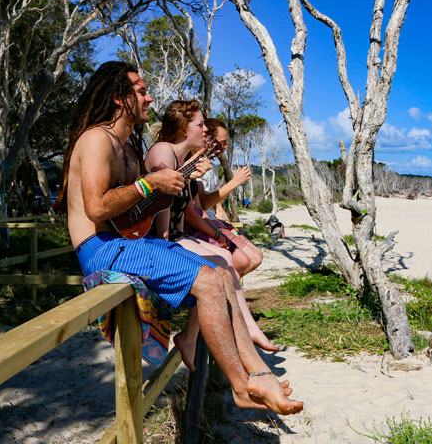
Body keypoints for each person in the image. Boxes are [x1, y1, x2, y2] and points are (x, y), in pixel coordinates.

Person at [58, 61, 302, 415]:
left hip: (127, 242)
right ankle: (240, 385)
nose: (149, 96)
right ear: (117, 97)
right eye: (141, 90)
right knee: (206, 280)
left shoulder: (127, 145)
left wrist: (168, 187)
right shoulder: (97, 139)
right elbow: (97, 208)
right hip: (100, 248)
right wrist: (149, 183)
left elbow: (133, 212)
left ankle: (258, 372)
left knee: (220, 274)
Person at [145, 100, 278, 370]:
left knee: (223, 259)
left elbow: (184, 209)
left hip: (174, 236)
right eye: (201, 124)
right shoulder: (163, 151)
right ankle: (232, 334)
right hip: (160, 240)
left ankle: (207, 334)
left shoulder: (183, 160)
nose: (206, 130)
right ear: (184, 129)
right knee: (220, 263)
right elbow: (161, 195)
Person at [195, 118, 264, 276]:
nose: (225, 147)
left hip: (214, 221)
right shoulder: (197, 166)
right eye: (223, 142)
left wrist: (223, 217)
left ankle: (229, 294)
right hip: (204, 223)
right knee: (244, 261)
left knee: (256, 257)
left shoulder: (212, 166)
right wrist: (234, 182)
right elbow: (203, 203)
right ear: (209, 140)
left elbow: (215, 202)